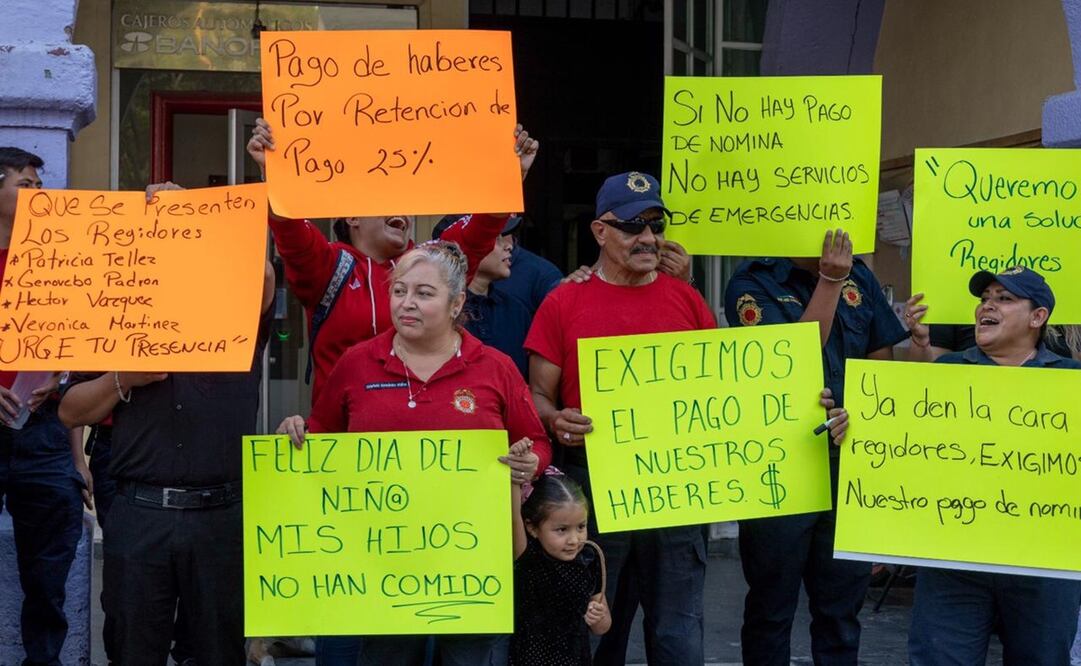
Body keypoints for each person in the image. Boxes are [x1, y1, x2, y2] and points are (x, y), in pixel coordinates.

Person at [277, 241, 550, 666]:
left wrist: (531, 461)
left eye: (424, 293)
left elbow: (536, 441)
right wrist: (297, 432)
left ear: (457, 301)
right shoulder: (357, 363)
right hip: (378, 569)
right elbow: (323, 436)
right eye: (399, 291)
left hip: (471, 571)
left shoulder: (494, 367)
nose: (407, 303)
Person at [58, 182, 276, 665]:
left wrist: (199, 215)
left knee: (219, 653)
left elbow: (260, 274)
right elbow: (70, 409)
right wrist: (123, 377)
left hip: (222, 517)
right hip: (140, 514)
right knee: (133, 650)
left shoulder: (236, 311)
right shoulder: (118, 318)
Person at [524, 171, 715, 665]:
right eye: (632, 227)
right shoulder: (564, 301)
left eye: (655, 224)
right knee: (591, 623)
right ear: (600, 232)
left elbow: (720, 390)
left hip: (678, 485)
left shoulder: (687, 299)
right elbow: (537, 396)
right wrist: (556, 419)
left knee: (679, 632)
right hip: (595, 485)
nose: (648, 238)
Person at [246, 119, 539, 403]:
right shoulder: (330, 265)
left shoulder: (429, 263)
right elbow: (291, 233)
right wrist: (275, 173)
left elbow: (475, 238)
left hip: (421, 427)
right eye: (385, 199)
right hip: (345, 432)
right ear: (352, 217)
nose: (401, 209)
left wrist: (509, 178)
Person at [724, 231, 909, 666]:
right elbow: (787, 363)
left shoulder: (860, 277)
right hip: (778, 465)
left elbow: (879, 366)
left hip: (847, 462)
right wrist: (828, 281)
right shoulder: (752, 280)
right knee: (772, 606)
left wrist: (857, 412)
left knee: (841, 609)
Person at [902, 267, 1081, 666]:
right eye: (985, 298)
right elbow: (901, 442)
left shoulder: (1072, 382)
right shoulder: (947, 373)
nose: (987, 305)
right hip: (953, 563)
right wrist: (855, 427)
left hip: (1045, 565)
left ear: (1038, 317)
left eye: (1004, 298)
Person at [0, 146, 91, 666]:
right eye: (25, 186)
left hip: (43, 434)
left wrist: (77, 458)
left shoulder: (57, 258)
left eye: (40, 187)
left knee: (49, 569)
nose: (37, 197)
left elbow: (74, 349)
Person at [510, 472, 611, 665]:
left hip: (576, 659)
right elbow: (514, 517)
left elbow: (602, 627)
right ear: (531, 528)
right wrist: (516, 478)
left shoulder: (589, 559)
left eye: (581, 527)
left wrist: (596, 616)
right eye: (562, 530)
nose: (574, 540)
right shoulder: (529, 557)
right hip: (530, 659)